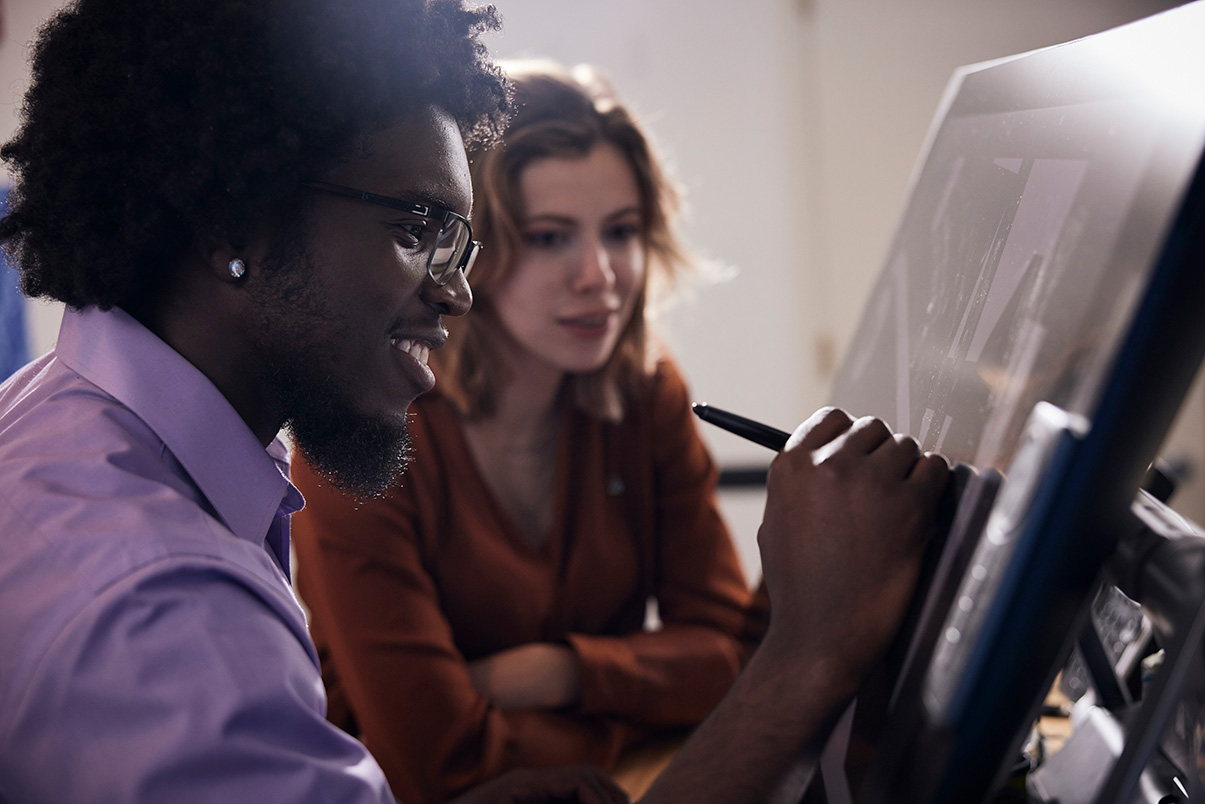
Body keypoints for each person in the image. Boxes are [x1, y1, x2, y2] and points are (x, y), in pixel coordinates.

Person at [0, 1, 950, 803]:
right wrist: (809, 655)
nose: (457, 290)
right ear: (231, 224)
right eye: (417, 228)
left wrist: (560, 682)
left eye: (459, 241)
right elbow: (435, 752)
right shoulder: (164, 613)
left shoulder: (62, 421)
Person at [290, 59, 759, 804]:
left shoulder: (646, 392)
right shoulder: (363, 431)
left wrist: (558, 672)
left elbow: (729, 657)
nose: (599, 276)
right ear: (466, 251)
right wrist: (639, 697)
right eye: (548, 238)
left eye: (621, 231)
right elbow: (441, 768)